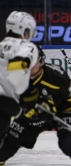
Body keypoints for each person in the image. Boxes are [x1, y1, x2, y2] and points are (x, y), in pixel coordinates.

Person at [0, 11, 39, 145]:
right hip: (4, 106)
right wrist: (26, 92)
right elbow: (16, 72)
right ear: (24, 30)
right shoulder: (27, 47)